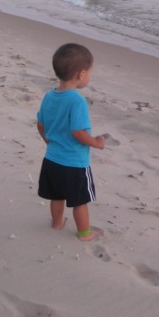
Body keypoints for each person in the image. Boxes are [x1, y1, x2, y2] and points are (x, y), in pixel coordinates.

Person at [37, 43, 105, 241]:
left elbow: (40, 124)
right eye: (90, 72)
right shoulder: (76, 101)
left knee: (56, 195)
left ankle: (57, 223)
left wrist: (48, 142)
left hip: (52, 159)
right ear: (81, 74)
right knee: (79, 200)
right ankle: (84, 233)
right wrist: (95, 142)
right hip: (74, 163)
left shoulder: (49, 96)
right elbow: (77, 131)